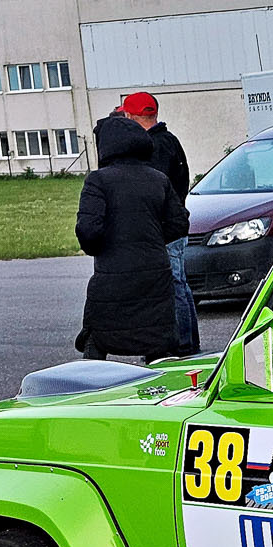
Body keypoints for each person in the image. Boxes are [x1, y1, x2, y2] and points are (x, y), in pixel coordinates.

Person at [76, 113, 188, 362]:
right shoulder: (159, 179)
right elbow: (179, 223)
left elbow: (88, 229)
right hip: (155, 272)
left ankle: (94, 384)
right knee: (157, 337)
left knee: (98, 335)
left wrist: (99, 247)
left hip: (112, 273)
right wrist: (153, 240)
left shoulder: (98, 181)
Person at [115, 91, 198, 354]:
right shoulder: (169, 140)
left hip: (164, 227)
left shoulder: (153, 147)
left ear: (132, 116)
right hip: (176, 224)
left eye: (126, 115)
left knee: (172, 286)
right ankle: (189, 341)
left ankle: (181, 345)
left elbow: (153, 191)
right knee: (180, 284)